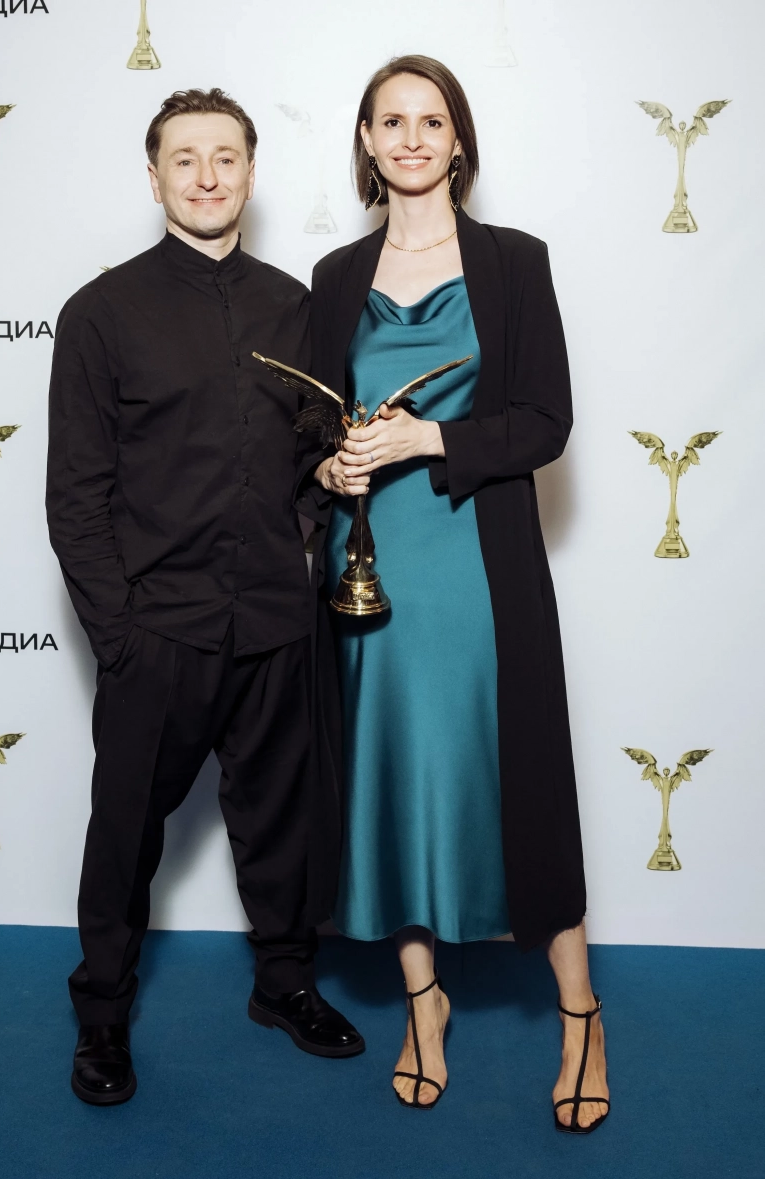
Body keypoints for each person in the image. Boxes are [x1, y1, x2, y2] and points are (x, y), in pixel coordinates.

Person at [302, 56, 609, 1131]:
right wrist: (333, 463)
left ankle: (580, 1014)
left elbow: (545, 421)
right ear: (367, 141)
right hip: (372, 569)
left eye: (430, 120)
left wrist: (428, 439)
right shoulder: (335, 274)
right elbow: (314, 422)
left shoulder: (515, 262)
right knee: (391, 779)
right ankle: (422, 1003)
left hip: (478, 567)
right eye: (390, 121)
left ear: (458, 139)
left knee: (518, 780)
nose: (411, 138)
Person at [46, 87, 363, 1107]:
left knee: (281, 823)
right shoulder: (100, 313)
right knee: (124, 834)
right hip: (159, 631)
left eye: (225, 157)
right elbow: (75, 495)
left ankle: (284, 983)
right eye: (184, 159)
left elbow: (313, 454)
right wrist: (120, 633)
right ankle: (102, 1017)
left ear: (251, 173)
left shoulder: (295, 307)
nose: (207, 176)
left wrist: (306, 527)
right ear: (154, 179)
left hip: (274, 620)